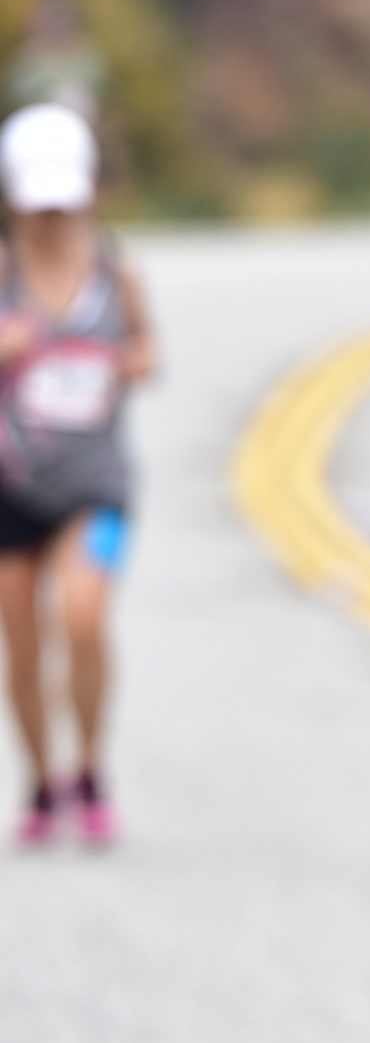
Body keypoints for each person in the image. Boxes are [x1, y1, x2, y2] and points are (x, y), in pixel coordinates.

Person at [0, 105, 155, 845]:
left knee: (85, 619)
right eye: (39, 204)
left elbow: (147, 348)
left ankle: (90, 766)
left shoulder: (116, 271)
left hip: (97, 488)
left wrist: (125, 362)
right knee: (23, 646)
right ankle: (40, 782)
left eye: (63, 202)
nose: (52, 218)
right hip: (11, 487)